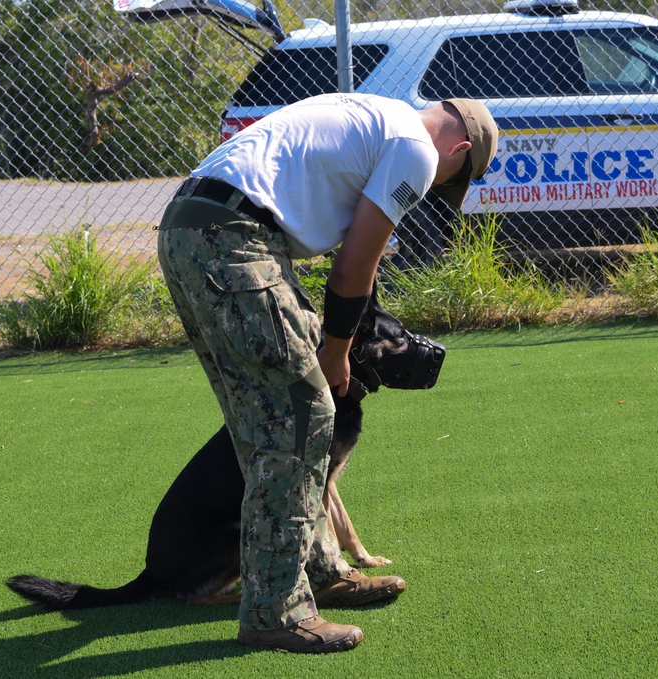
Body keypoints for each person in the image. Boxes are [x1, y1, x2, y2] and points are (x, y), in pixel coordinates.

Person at [156, 93, 498, 654]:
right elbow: (353, 266)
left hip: (190, 229)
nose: (438, 187)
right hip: (234, 239)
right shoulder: (415, 151)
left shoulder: (375, 112)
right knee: (305, 418)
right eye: (451, 179)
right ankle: (276, 612)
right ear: (458, 149)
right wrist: (335, 350)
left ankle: (320, 572)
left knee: (264, 422)